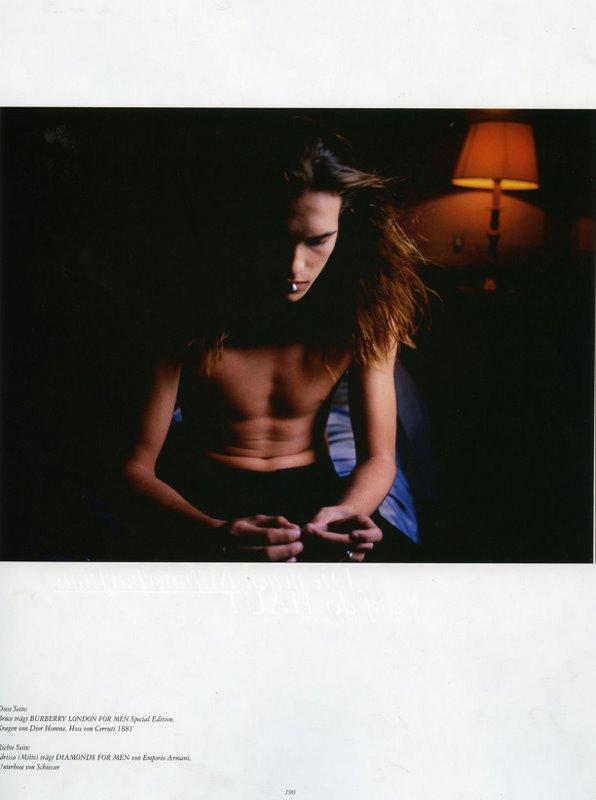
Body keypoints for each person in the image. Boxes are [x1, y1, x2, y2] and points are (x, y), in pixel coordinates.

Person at [120, 118, 426, 562]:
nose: (295, 267)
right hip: (200, 493)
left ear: (345, 226)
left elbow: (378, 458)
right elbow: (135, 466)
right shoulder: (183, 308)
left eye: (318, 241)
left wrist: (347, 513)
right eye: (276, 238)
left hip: (314, 493)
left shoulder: (366, 310)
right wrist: (215, 533)